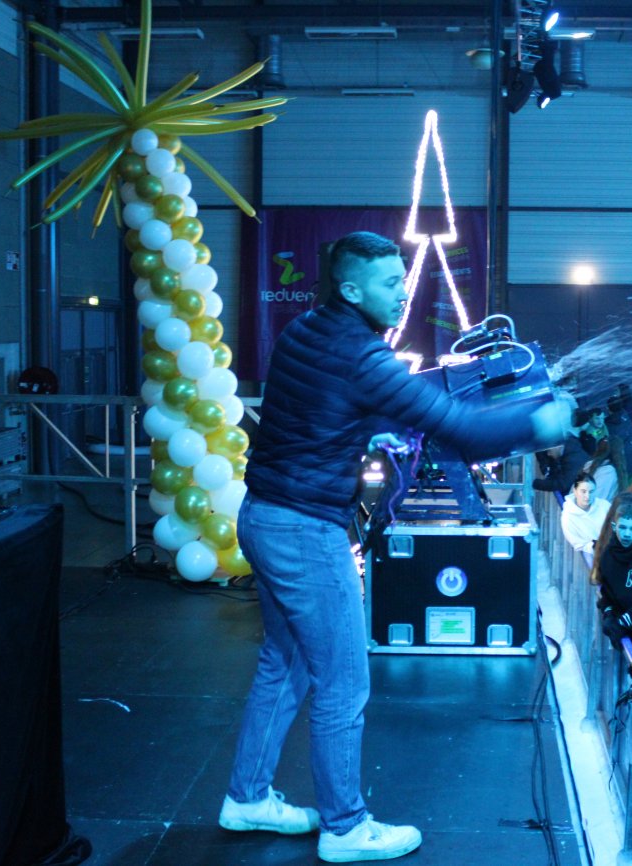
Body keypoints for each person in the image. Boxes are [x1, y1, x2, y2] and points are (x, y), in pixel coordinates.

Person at [221, 231, 570, 863]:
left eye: (401, 279)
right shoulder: (363, 356)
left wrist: (368, 431)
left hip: (262, 515)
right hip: (304, 531)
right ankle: (345, 827)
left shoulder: (304, 330)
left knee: (286, 661)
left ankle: (247, 798)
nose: (403, 292)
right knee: (343, 684)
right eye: (389, 283)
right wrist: (537, 421)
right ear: (352, 290)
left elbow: (324, 411)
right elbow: (460, 426)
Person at [593, 495, 632, 650]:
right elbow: (606, 593)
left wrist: (628, 619)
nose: (627, 534)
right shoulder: (607, 556)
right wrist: (608, 613)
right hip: (626, 637)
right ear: (614, 526)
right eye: (622, 527)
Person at [560, 472, 610, 568]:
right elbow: (577, 543)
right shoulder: (568, 516)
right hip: (592, 560)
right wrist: (595, 546)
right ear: (575, 491)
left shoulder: (604, 506)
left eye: (591, 491)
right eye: (583, 491)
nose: (587, 496)